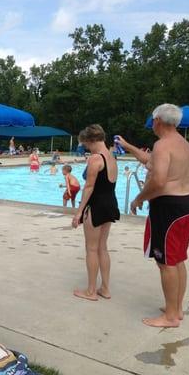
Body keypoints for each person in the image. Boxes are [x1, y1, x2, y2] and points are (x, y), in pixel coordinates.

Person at [118, 104, 189, 328]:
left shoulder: (162, 145)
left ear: (158, 120)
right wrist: (127, 146)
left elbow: (159, 180)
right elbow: (150, 162)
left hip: (168, 209)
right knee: (177, 259)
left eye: (152, 120)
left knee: (166, 262)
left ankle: (170, 317)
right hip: (187, 204)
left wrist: (138, 198)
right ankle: (176, 309)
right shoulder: (183, 144)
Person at [71, 124, 119, 301]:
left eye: (86, 145)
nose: (86, 148)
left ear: (91, 141)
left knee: (91, 249)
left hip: (96, 206)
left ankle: (91, 291)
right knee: (102, 248)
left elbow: (89, 187)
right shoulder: (112, 158)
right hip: (110, 204)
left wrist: (79, 212)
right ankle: (105, 288)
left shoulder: (95, 159)